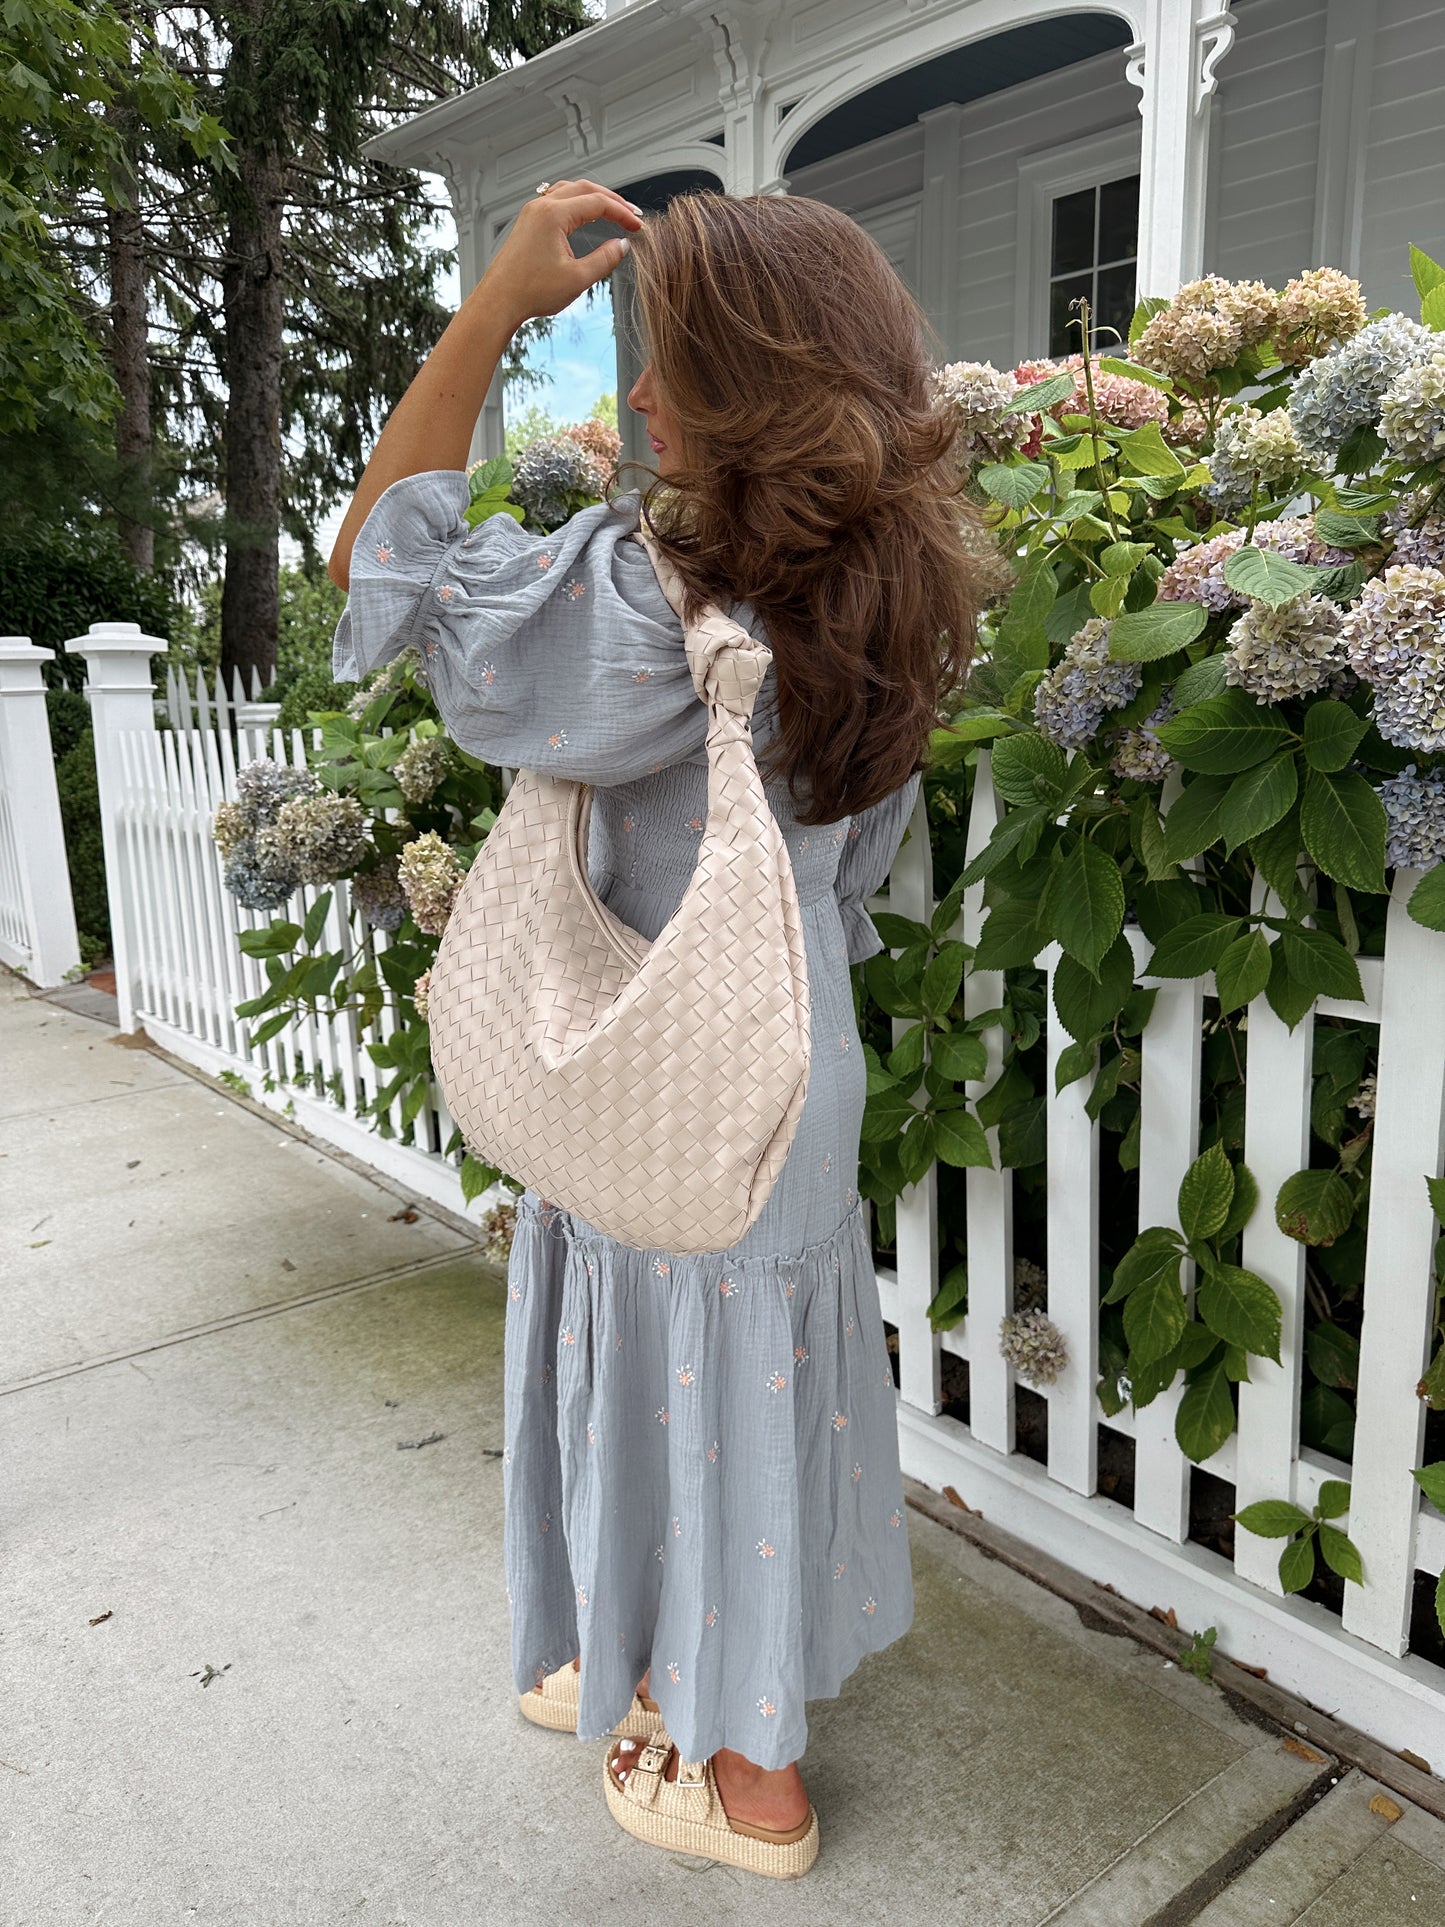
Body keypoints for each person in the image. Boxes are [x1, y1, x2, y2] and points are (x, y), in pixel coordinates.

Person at [329, 180, 996, 1880]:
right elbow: (840, 894)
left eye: (663, 368)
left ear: (750, 391)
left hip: (640, 1055)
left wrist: (488, 312)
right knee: (750, 1392)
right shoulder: (895, 595)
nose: (632, 402)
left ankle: (740, 1774)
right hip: (786, 1060)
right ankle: (697, 1682)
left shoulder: (633, 611)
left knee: (650, 1380)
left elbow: (383, 559)